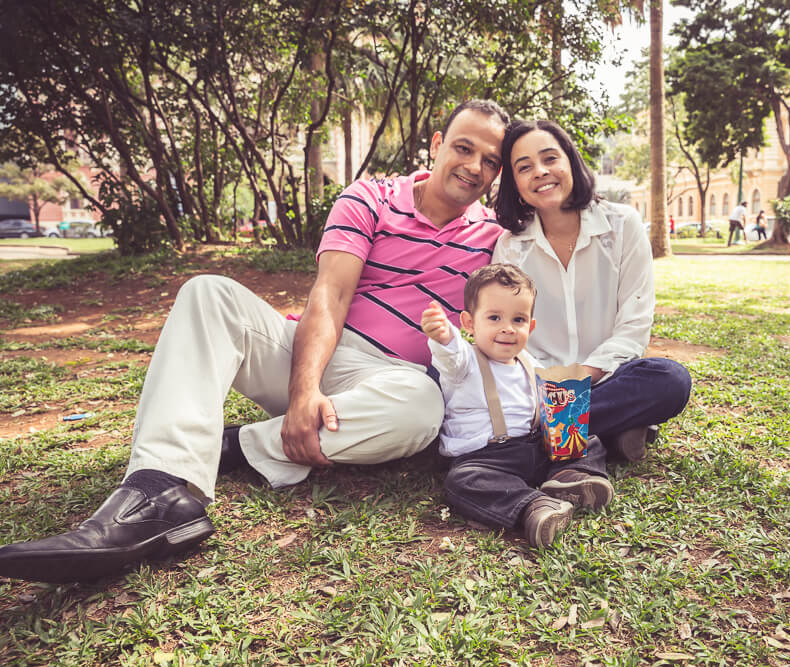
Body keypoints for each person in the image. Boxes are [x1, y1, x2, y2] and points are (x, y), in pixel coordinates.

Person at [0, 99, 510, 583]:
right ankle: (156, 490)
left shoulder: (496, 239)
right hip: (309, 348)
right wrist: (304, 390)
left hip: (387, 379)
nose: (473, 166)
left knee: (422, 409)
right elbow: (329, 295)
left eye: (490, 160)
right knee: (208, 294)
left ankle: (234, 446)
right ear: (438, 143)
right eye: (464, 147)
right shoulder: (371, 197)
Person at [493, 120, 691, 463]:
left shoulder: (623, 225)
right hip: (538, 389)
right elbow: (506, 332)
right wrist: (548, 386)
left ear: (570, 161)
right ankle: (608, 432)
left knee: (670, 379)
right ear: (515, 184)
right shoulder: (510, 248)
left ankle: (546, 439)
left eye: (550, 158)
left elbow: (633, 327)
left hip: (607, 382)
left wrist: (580, 377)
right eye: (524, 167)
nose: (540, 172)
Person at [422, 264, 613, 548]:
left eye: (519, 319)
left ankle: (569, 477)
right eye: (494, 317)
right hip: (485, 459)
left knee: (587, 439)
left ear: (531, 326)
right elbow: (452, 354)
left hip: (533, 447)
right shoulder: (465, 364)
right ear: (470, 323)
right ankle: (533, 507)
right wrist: (444, 336)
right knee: (461, 482)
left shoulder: (528, 361)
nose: (508, 328)